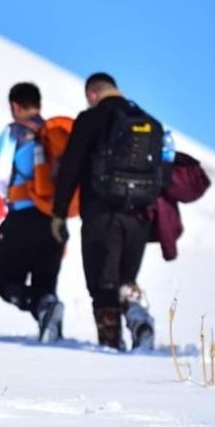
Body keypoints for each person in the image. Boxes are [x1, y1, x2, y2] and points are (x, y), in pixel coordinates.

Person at [52, 73, 163, 350]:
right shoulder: (150, 122)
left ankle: (111, 348)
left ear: (92, 94)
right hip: (139, 217)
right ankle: (140, 321)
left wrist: (59, 212)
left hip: (101, 214)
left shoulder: (90, 119)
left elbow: (71, 167)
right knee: (126, 282)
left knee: (103, 286)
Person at [0, 82, 65, 342]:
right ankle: (52, 329)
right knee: (46, 284)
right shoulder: (55, 134)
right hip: (56, 219)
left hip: (23, 215)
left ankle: (43, 308)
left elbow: (0, 173)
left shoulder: (14, 132)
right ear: (39, 105)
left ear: (15, 106)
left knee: (4, 279)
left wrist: (7, 194)